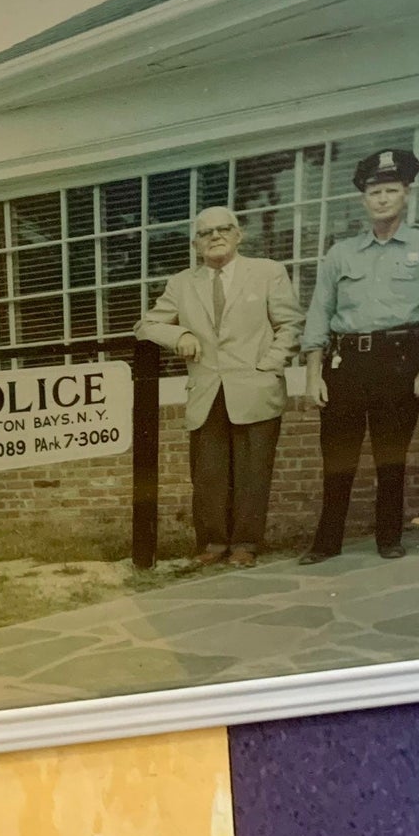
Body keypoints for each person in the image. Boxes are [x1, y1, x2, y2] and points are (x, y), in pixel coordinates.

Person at [299, 147, 419, 564]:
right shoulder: (341, 253)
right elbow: (320, 314)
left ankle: (389, 537)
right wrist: (313, 375)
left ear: (406, 193)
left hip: (402, 359)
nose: (382, 199)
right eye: (374, 192)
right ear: (363, 199)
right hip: (346, 363)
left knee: (391, 455)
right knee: (337, 457)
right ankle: (326, 542)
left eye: (391, 190)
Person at [136, 206, 299, 569]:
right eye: (205, 232)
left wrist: (268, 365)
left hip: (255, 388)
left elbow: (290, 325)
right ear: (196, 244)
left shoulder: (268, 273)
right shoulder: (182, 283)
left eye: (224, 229)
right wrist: (180, 333)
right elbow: (146, 325)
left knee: (253, 472)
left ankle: (245, 544)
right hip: (207, 390)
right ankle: (211, 543)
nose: (215, 236)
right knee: (209, 474)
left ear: (239, 235)